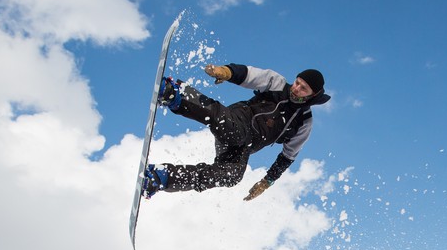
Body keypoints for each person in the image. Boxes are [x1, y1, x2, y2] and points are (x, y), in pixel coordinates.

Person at [141, 63, 330, 200]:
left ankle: (162, 177)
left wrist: (267, 182)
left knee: (232, 176)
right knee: (235, 131)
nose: (296, 89)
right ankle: (175, 94)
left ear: (313, 95)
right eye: (297, 82)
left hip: (244, 146)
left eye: (303, 88)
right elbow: (250, 75)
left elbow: (287, 157)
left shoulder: (304, 122)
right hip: (239, 119)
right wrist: (227, 72)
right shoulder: (278, 83)